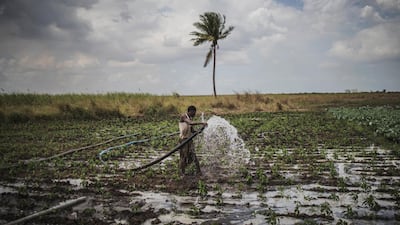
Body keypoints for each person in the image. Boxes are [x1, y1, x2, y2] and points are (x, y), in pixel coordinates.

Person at [178, 105, 207, 176]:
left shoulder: (190, 118)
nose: (194, 114)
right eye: (194, 113)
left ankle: (198, 171)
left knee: (193, 156)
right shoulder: (183, 117)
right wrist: (202, 123)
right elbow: (190, 123)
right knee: (183, 157)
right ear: (190, 111)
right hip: (183, 140)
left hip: (189, 140)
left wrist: (201, 129)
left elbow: (193, 131)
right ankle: (182, 173)